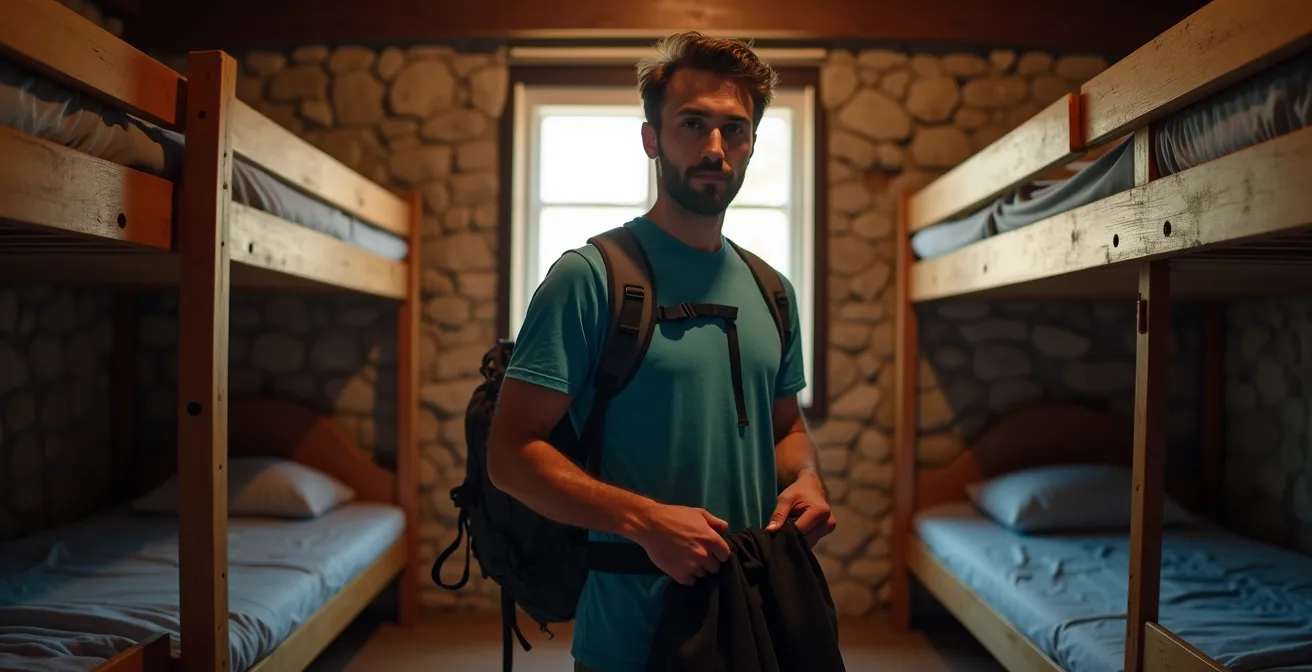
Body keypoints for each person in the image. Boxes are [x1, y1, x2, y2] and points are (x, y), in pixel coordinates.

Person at [485, 31, 836, 672]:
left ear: (752, 144)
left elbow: (787, 427)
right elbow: (509, 455)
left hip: (756, 616)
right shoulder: (590, 278)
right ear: (651, 140)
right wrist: (645, 522)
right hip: (630, 634)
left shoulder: (773, 292)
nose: (714, 148)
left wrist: (806, 477)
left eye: (735, 130)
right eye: (692, 124)